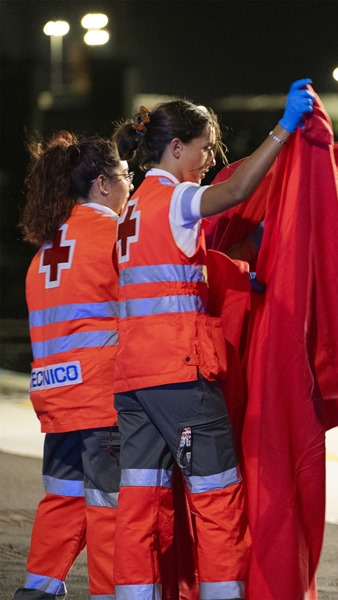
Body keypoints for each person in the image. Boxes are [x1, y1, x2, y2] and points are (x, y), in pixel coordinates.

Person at [110, 79, 314, 599]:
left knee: (140, 502)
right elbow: (238, 190)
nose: (206, 160)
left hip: (134, 377)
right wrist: (285, 127)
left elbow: (175, 273)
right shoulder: (176, 198)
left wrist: (240, 272)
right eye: (202, 149)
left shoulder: (132, 209)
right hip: (181, 374)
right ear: (175, 147)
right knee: (217, 496)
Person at [16, 132, 131, 600]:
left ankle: (37, 590)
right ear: (102, 184)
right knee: (112, 508)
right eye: (126, 175)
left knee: (61, 500)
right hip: (103, 399)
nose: (132, 183)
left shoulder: (46, 250)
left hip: (56, 397)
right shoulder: (118, 238)